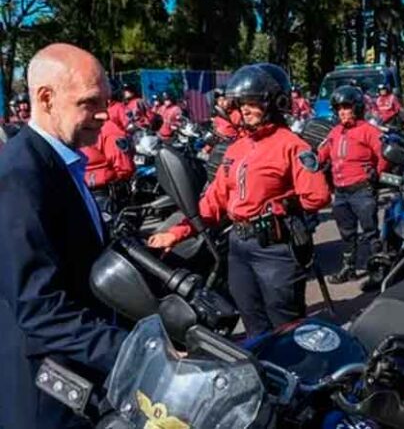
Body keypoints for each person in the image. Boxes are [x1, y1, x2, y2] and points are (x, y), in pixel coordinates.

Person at [147, 64, 331, 337]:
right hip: (238, 246)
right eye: (240, 102)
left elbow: (317, 197)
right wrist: (176, 232)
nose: (244, 109)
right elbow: (213, 203)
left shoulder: (293, 146)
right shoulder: (236, 149)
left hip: (275, 248)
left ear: (274, 102)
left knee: (287, 323)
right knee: (251, 318)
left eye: (252, 102)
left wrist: (282, 203)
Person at [0, 43, 129, 429]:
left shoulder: (59, 161)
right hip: (47, 392)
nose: (105, 114)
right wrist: (133, 353)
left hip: (78, 368)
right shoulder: (20, 176)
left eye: (106, 101)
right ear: (46, 98)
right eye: (90, 103)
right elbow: (39, 307)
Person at [317, 86, 388, 290]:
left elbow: (383, 154)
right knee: (346, 233)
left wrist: (376, 172)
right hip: (340, 192)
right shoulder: (334, 132)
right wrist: (312, 159)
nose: (342, 112)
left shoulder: (369, 131)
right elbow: (322, 153)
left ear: (356, 108)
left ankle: (378, 271)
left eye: (346, 108)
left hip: (362, 190)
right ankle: (348, 268)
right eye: (338, 108)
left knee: (370, 232)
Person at [81, 117, 135, 212]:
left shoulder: (68, 129)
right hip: (105, 195)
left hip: (79, 193)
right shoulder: (106, 128)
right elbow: (124, 167)